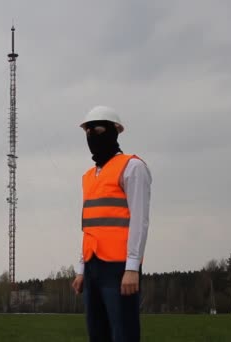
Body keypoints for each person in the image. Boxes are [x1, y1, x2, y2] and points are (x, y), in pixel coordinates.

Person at [71, 106, 152, 341]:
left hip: (119, 269)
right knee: (97, 334)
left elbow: (140, 220)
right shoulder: (88, 176)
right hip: (92, 266)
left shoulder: (132, 167)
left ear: (115, 131)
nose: (92, 137)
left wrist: (132, 268)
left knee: (123, 333)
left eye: (98, 130)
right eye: (87, 131)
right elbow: (89, 226)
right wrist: (81, 269)